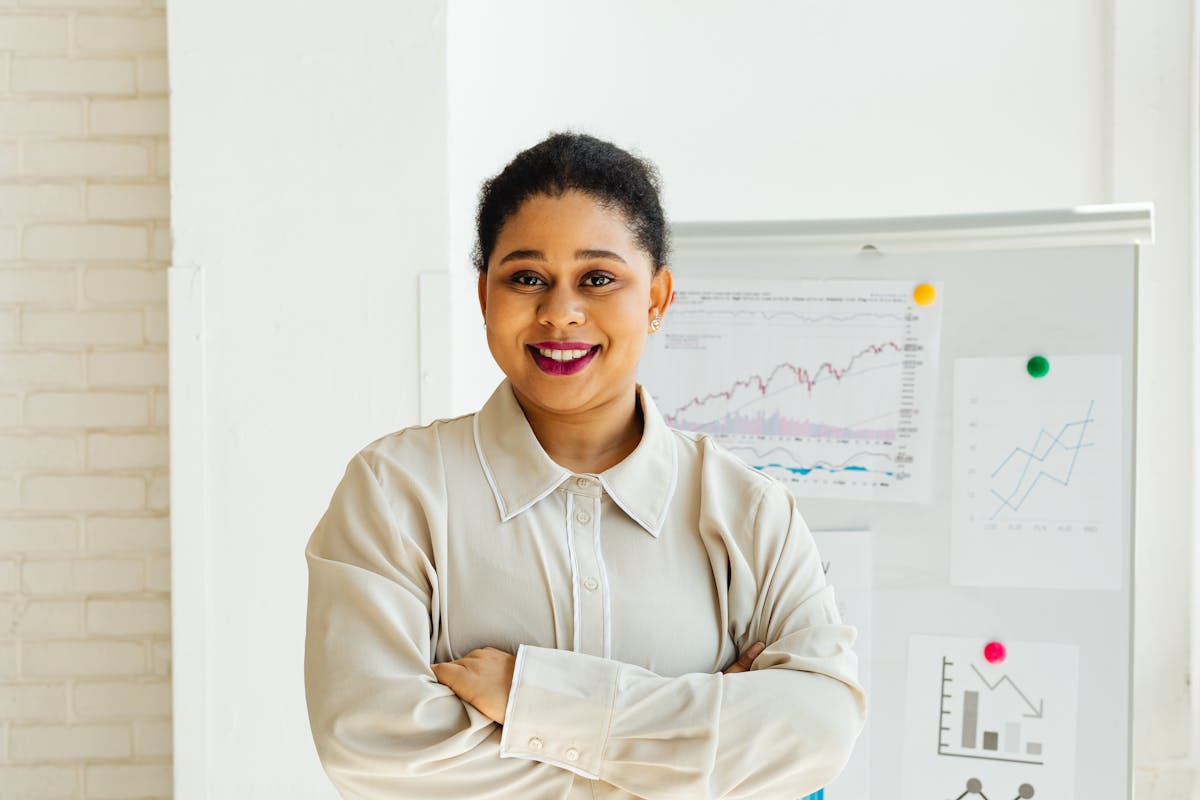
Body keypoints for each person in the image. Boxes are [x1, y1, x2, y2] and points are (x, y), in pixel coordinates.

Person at [304, 132, 866, 799]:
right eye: (526, 278)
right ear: (486, 297)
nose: (560, 312)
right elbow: (370, 749)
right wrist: (689, 759)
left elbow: (820, 731)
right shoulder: (397, 492)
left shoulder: (747, 511)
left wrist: (534, 702)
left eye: (598, 279)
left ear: (656, 299)